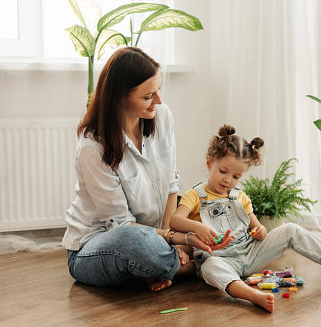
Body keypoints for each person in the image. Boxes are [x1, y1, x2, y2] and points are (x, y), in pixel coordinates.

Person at [62, 47, 233, 292]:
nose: (159, 101)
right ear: (119, 96)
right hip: (100, 245)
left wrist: (170, 234)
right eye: (148, 96)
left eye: (159, 90)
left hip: (159, 235)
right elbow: (121, 226)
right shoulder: (94, 147)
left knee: (205, 205)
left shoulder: (161, 115)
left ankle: (155, 268)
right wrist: (179, 239)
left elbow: (172, 183)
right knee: (137, 244)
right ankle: (202, 264)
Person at [170, 124, 321, 312]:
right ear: (209, 163)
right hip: (220, 259)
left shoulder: (240, 197)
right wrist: (198, 227)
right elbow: (175, 221)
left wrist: (260, 231)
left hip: (250, 254)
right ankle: (252, 296)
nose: (228, 180)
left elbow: (257, 228)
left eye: (236, 176)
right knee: (208, 267)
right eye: (223, 171)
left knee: (290, 229)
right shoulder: (194, 195)